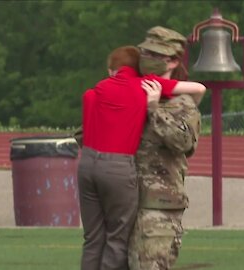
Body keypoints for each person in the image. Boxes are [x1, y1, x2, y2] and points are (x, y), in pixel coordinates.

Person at [77, 44, 205, 270]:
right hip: (118, 168)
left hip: (87, 165)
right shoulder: (141, 86)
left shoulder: (94, 92)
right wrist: (154, 97)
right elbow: (198, 88)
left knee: (93, 238)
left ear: (111, 69)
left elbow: (83, 132)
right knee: (118, 237)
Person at [128, 26, 204, 270]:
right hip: (122, 201)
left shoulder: (182, 104)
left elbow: (183, 143)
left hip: (159, 205)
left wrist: (154, 111)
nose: (149, 60)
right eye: (146, 53)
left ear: (173, 61)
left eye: (157, 56)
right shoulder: (127, 95)